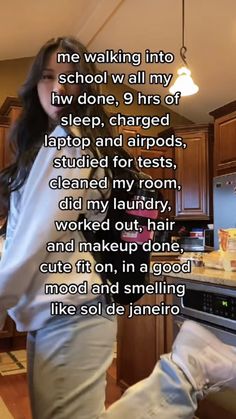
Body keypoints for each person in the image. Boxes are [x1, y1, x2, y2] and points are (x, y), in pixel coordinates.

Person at [0, 36, 235, 419]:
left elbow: (31, 246)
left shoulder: (69, 146)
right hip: (58, 315)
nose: (58, 87)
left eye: (70, 77)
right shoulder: (52, 147)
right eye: (48, 76)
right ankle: (188, 365)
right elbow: (26, 237)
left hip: (72, 314)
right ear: (35, 85)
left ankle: (187, 368)